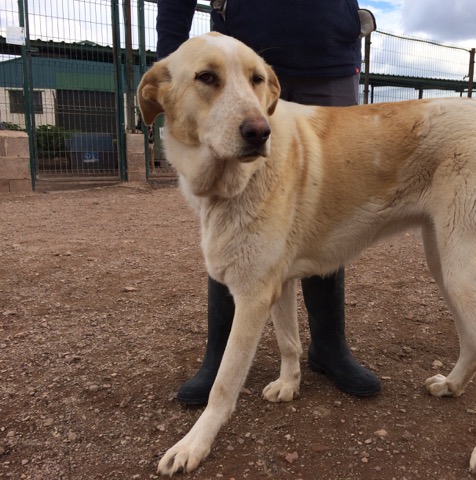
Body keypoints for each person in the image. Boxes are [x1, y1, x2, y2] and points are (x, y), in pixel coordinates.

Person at [155, 0, 380, 406]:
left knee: (326, 207)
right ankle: (219, 356)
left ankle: (328, 346)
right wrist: (172, 58)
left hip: (328, 58)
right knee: (231, 214)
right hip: (243, 46)